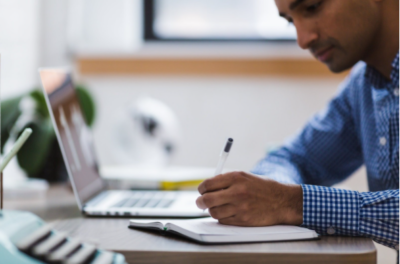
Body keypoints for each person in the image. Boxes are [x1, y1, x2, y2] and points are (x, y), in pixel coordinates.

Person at [196, 0, 399, 250]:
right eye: (291, 21)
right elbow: (295, 158)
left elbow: (288, 198)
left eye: (312, 7)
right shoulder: (363, 85)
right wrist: (265, 194)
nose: (303, 40)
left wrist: (291, 203)